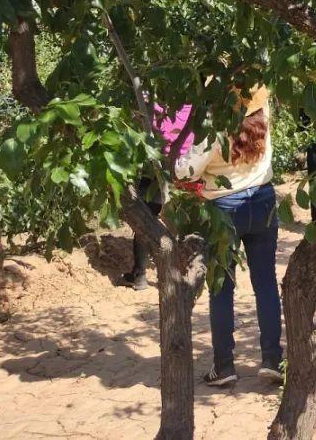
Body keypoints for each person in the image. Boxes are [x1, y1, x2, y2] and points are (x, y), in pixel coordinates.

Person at [175, 86, 283, 386]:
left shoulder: (214, 127)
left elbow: (186, 173)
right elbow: (263, 96)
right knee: (265, 283)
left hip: (224, 207)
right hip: (262, 200)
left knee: (221, 288)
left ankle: (224, 366)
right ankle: (273, 359)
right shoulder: (263, 118)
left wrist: (177, 162)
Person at [120, 103, 194, 290]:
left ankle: (140, 275)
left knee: (145, 218)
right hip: (187, 168)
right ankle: (186, 271)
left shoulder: (152, 104)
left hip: (158, 168)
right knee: (184, 220)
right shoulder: (193, 105)